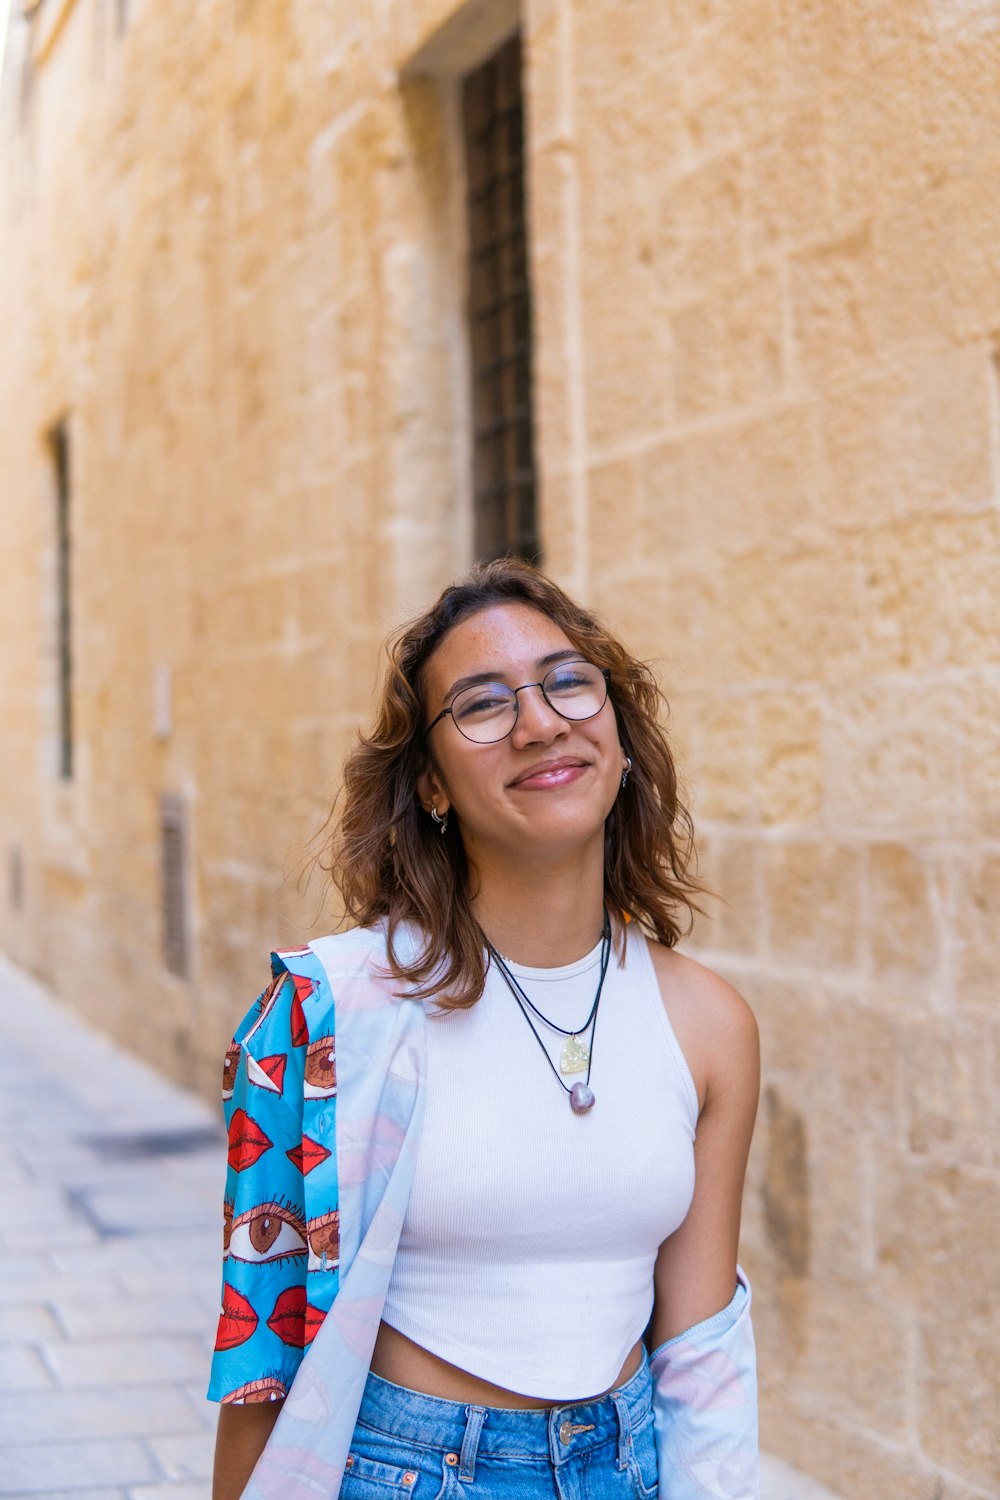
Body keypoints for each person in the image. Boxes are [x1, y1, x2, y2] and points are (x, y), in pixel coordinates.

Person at [209, 558, 760, 1500]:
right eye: (482, 703)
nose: (542, 722)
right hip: (405, 1470)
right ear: (429, 783)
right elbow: (261, 1349)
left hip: (624, 1471)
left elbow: (699, 1350)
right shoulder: (328, 1011)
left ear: (620, 740)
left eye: (568, 683)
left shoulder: (710, 1023)